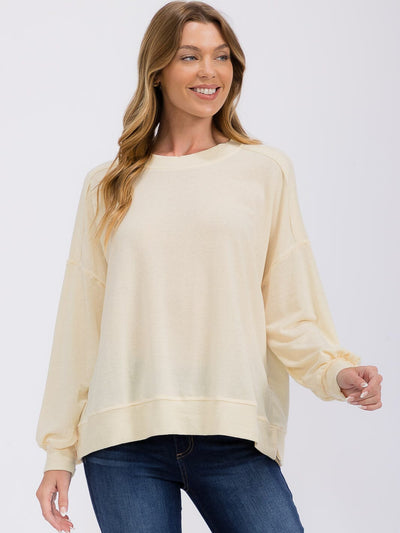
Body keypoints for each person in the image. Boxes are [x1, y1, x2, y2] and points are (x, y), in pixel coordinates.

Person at [35, 2, 383, 532]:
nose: (210, 71)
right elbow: (80, 325)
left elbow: (289, 311)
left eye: (222, 57)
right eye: (189, 56)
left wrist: (336, 371)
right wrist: (58, 452)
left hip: (232, 430)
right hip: (123, 440)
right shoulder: (107, 185)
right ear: (157, 70)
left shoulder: (264, 170)